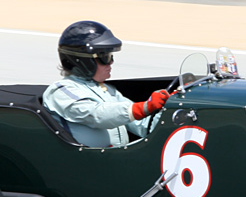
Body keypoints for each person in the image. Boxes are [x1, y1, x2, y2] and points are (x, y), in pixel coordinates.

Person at [43, 20, 170, 148]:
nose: (111, 63)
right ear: (83, 61)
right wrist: (144, 107)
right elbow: (96, 115)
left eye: (111, 56)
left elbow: (144, 127)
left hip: (117, 158)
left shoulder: (108, 90)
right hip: (86, 163)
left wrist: (168, 107)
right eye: (105, 57)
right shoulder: (61, 91)